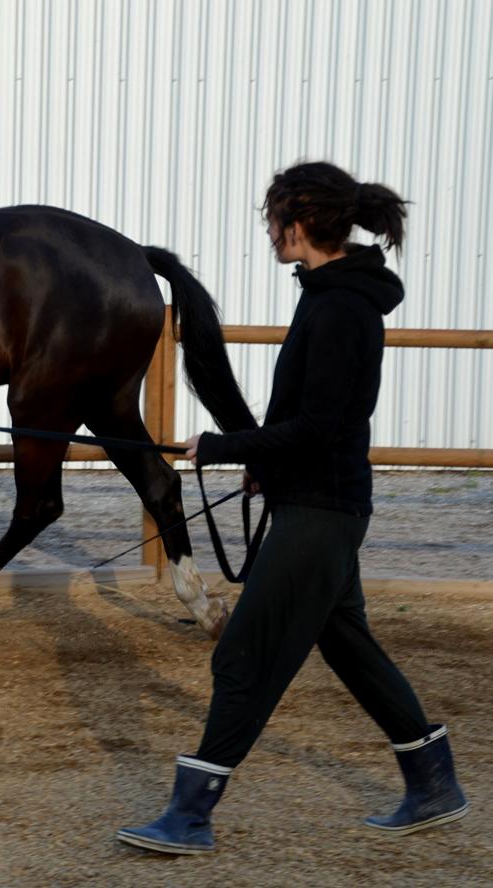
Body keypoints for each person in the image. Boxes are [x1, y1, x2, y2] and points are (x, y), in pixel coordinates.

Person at [116, 161, 468, 855]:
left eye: (272, 216)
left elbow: (321, 427)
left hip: (321, 512)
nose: (267, 229)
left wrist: (225, 447)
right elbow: (313, 424)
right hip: (318, 503)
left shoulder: (339, 309)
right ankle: (433, 783)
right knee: (352, 649)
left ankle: (190, 814)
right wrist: (265, 468)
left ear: (299, 222)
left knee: (243, 657)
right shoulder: (327, 295)